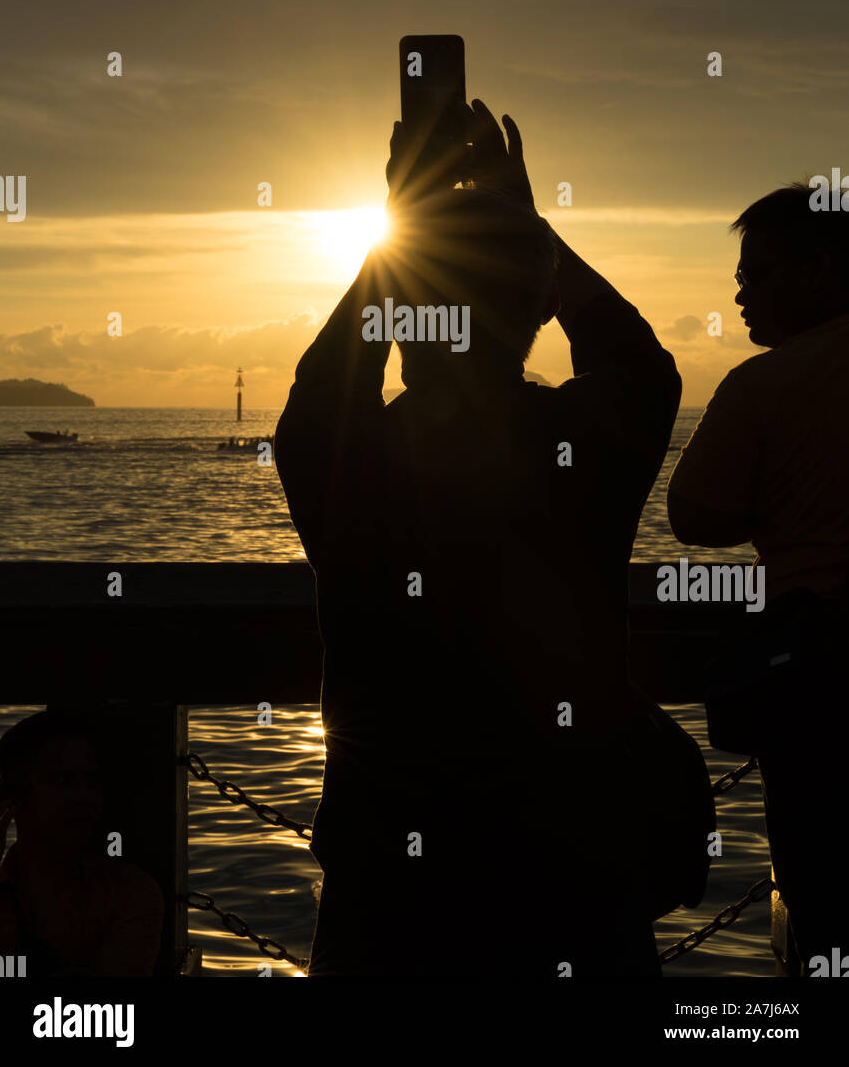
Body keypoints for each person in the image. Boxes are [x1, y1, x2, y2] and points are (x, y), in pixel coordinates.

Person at [275, 97, 692, 977]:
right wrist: (526, 224)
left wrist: (401, 229)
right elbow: (639, 364)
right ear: (538, 309)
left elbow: (321, 386)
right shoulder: (584, 450)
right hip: (574, 863)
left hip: (389, 866)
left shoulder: (351, 460)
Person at [667, 180, 849, 974]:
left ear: (816, 269)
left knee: (825, 906)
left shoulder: (764, 385)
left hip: (821, 683)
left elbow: (694, 514)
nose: (738, 294)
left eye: (756, 274)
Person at [0, 710, 164, 976]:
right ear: (13, 797)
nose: (85, 797)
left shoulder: (129, 894)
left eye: (94, 782)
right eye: (64, 781)